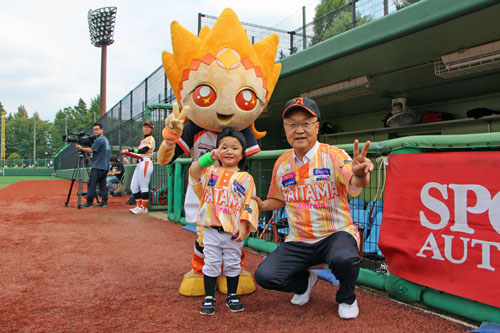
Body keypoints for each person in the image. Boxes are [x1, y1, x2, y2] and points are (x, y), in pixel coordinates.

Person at [252, 97, 374, 320]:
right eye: (292, 124)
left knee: (345, 259)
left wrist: (361, 173)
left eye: (306, 123)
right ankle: (304, 282)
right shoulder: (282, 163)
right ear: (285, 128)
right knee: (264, 276)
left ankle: (347, 298)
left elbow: (355, 183)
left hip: (335, 234)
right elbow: (278, 199)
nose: (299, 130)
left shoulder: (333, 156)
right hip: (299, 239)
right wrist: (261, 205)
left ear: (317, 127)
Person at [189, 127, 258, 315]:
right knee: (210, 263)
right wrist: (208, 157)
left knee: (233, 263)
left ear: (243, 154)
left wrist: (244, 226)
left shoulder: (245, 178)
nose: (229, 151)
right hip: (211, 229)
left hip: (233, 232)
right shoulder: (210, 171)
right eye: (224, 147)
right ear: (217, 151)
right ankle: (209, 296)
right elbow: (194, 172)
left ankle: (232, 295)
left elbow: (249, 203)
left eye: (235, 148)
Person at [123, 120, 155, 214]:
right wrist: (129, 153)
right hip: (140, 163)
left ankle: (144, 208)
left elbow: (144, 150)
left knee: (144, 186)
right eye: (144, 127)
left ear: (151, 129)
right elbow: (140, 151)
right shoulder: (143, 140)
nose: (145, 128)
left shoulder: (150, 138)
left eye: (148, 127)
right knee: (133, 186)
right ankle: (139, 206)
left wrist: (130, 150)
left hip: (146, 162)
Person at [76, 123, 110, 208]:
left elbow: (91, 150)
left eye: (97, 129)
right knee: (102, 184)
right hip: (104, 166)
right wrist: (94, 157)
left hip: (98, 166)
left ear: (102, 130)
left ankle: (89, 202)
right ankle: (104, 202)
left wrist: (81, 148)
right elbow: (99, 152)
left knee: (91, 184)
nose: (95, 131)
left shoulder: (99, 139)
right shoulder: (105, 139)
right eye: (94, 129)